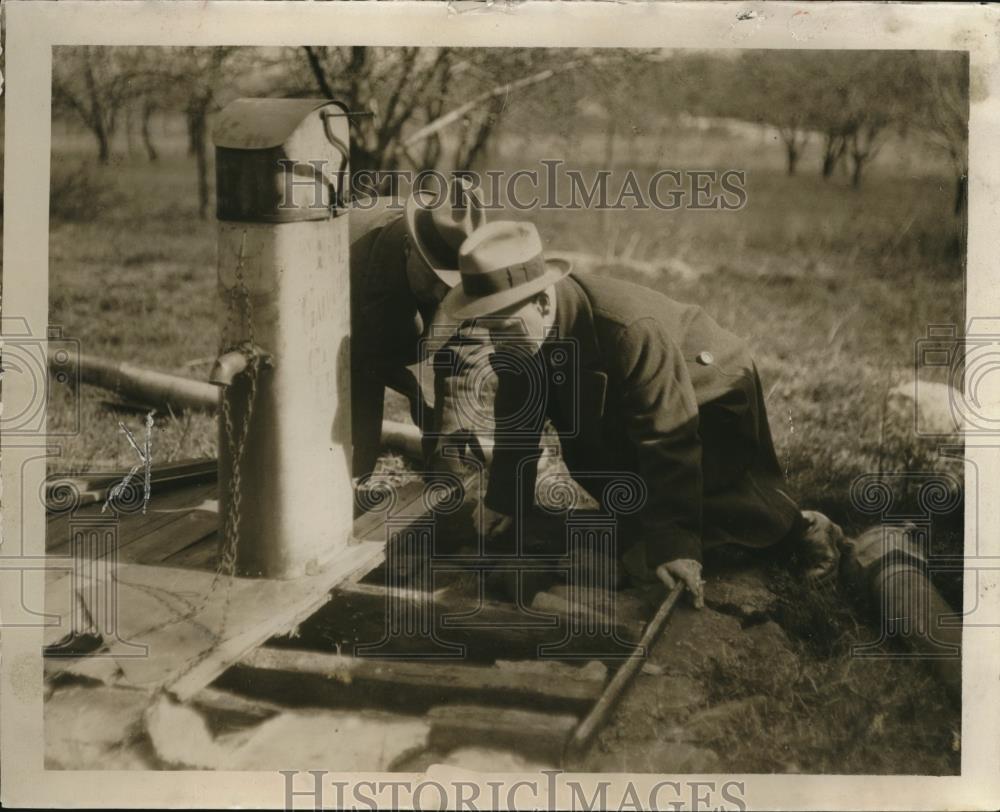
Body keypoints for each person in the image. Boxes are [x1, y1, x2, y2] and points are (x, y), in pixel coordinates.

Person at [438, 220, 842, 605]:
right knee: (616, 484)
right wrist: (505, 499)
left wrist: (676, 546)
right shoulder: (524, 332)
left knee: (682, 532)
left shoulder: (626, 329)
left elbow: (668, 435)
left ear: (544, 301)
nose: (495, 343)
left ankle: (802, 530)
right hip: (639, 403)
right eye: (488, 329)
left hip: (709, 395)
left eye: (503, 328)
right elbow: (517, 411)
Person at [349, 177, 487, 480]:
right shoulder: (346, 257)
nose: (442, 296)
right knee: (347, 467)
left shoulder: (473, 268)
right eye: (435, 279)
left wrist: (446, 457)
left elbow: (460, 369)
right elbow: (354, 366)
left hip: (375, 340)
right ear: (408, 247)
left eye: (453, 287)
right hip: (339, 347)